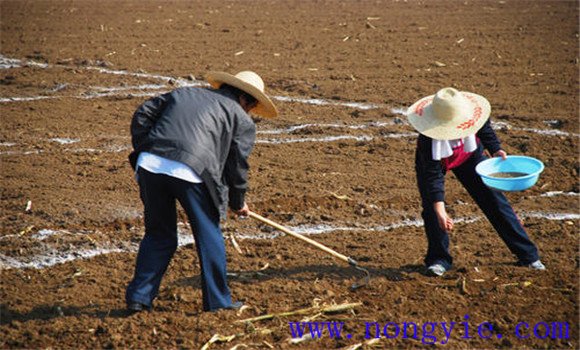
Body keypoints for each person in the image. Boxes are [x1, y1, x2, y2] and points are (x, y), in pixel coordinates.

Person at [125, 71, 278, 312]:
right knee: (209, 235)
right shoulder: (242, 119)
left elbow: (143, 113)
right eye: (253, 106)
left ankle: (139, 298)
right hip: (192, 171)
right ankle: (218, 302)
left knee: (159, 234)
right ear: (248, 100)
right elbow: (236, 166)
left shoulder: (185, 93)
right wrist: (237, 202)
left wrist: (148, 147)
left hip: (150, 165)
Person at [407, 87, 545, 277]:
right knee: (433, 210)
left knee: (494, 199)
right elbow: (433, 178)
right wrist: (440, 209)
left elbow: (484, 128)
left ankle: (528, 255)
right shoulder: (428, 142)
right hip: (437, 163)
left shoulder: (472, 113)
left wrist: (496, 149)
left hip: (469, 154)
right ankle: (439, 260)